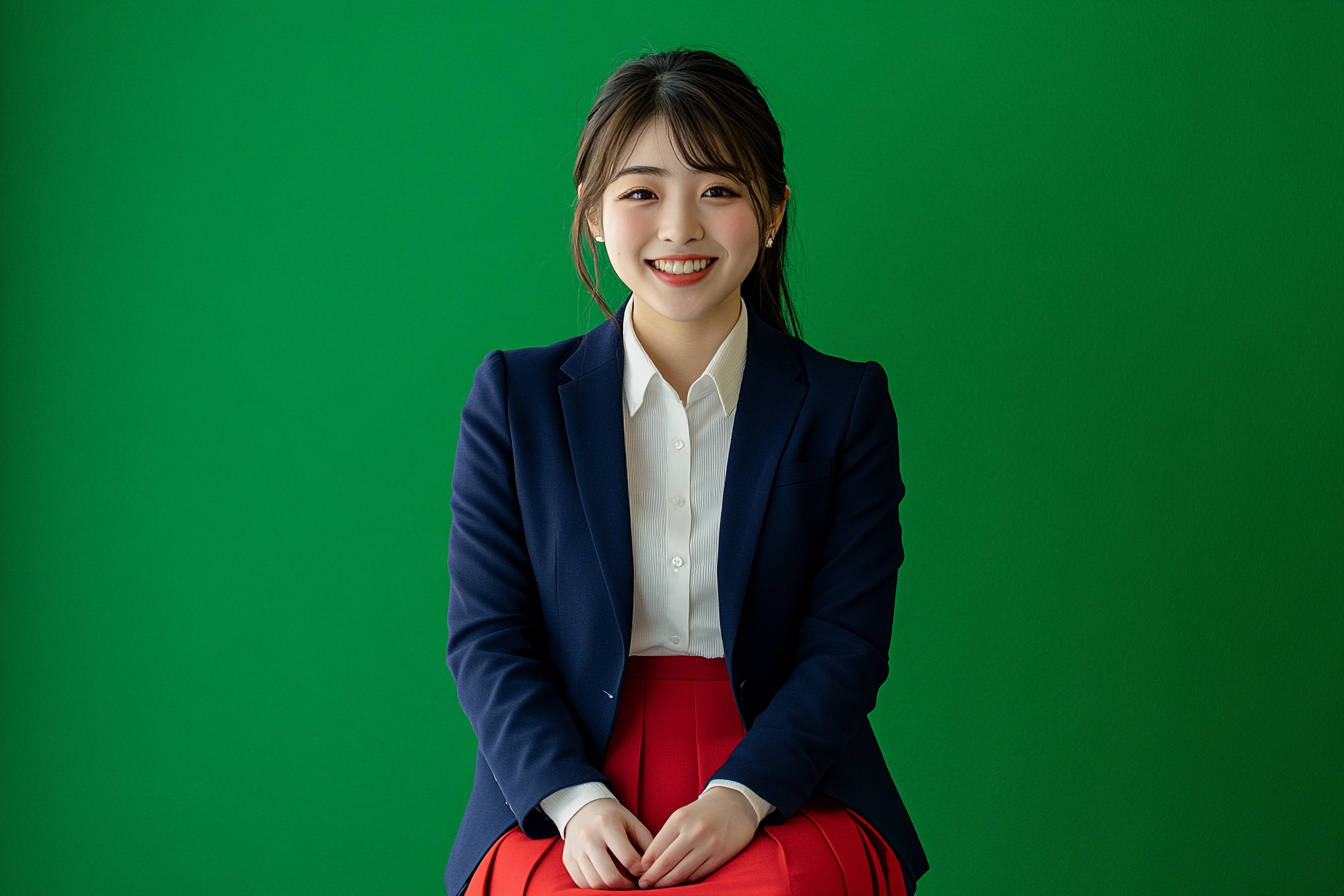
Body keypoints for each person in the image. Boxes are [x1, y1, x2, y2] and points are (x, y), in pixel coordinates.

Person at [444, 48, 928, 895]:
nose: (679, 227)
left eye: (719, 190)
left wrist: (746, 795)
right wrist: (577, 803)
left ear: (773, 212)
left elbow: (846, 646)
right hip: (565, 780)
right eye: (640, 193)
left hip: (786, 776)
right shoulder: (514, 399)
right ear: (593, 213)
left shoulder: (844, 404)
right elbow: (489, 638)